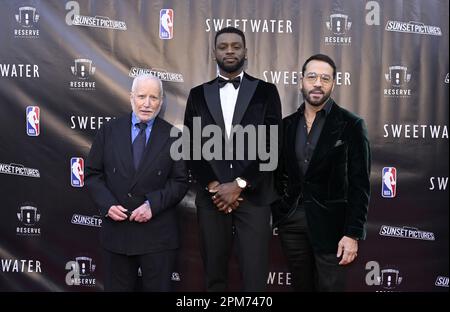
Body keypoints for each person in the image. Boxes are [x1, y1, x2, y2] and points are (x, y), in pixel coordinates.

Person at [184, 26, 282, 291]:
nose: (229, 50)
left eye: (236, 46)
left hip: (254, 196)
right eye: (223, 46)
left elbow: (272, 146)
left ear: (246, 52)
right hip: (212, 198)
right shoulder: (197, 95)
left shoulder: (267, 91)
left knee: (255, 277)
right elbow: (191, 149)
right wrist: (215, 187)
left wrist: (239, 183)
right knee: (214, 276)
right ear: (214, 52)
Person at [272, 54, 371, 291]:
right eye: (312, 77)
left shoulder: (351, 124)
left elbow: (360, 184)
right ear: (301, 81)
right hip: (292, 223)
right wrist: (280, 211)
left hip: (333, 228)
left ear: (333, 84)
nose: (318, 83)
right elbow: (277, 174)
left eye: (325, 78)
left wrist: (352, 234)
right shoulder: (286, 125)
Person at [85, 74, 188, 291]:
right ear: (131, 97)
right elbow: (93, 174)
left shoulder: (174, 136)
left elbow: (180, 181)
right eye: (142, 96)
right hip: (117, 234)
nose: (147, 103)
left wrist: (153, 205)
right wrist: (107, 205)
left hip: (157, 236)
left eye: (154, 97)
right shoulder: (109, 131)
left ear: (161, 101)